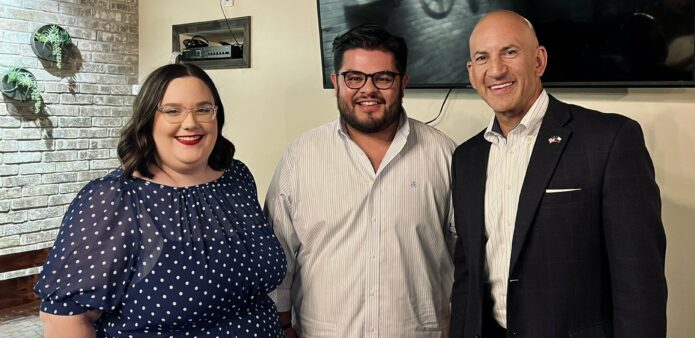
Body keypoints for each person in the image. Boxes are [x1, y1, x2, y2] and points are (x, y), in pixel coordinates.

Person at [450, 11, 667, 338]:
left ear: (539, 61)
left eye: (510, 52)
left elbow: (640, 282)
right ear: (471, 72)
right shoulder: (466, 158)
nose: (496, 70)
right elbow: (467, 276)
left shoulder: (609, 139)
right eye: (483, 57)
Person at [35, 63, 286, 337]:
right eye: (172, 110)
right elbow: (65, 320)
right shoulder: (115, 199)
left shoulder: (236, 178)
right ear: (148, 120)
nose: (190, 123)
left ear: (217, 116)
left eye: (203, 109)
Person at [265, 24, 456, 337]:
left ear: (403, 83)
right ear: (336, 83)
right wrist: (282, 326)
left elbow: (464, 257)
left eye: (383, 78)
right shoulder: (301, 156)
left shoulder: (442, 153)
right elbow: (279, 254)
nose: (368, 90)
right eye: (354, 77)